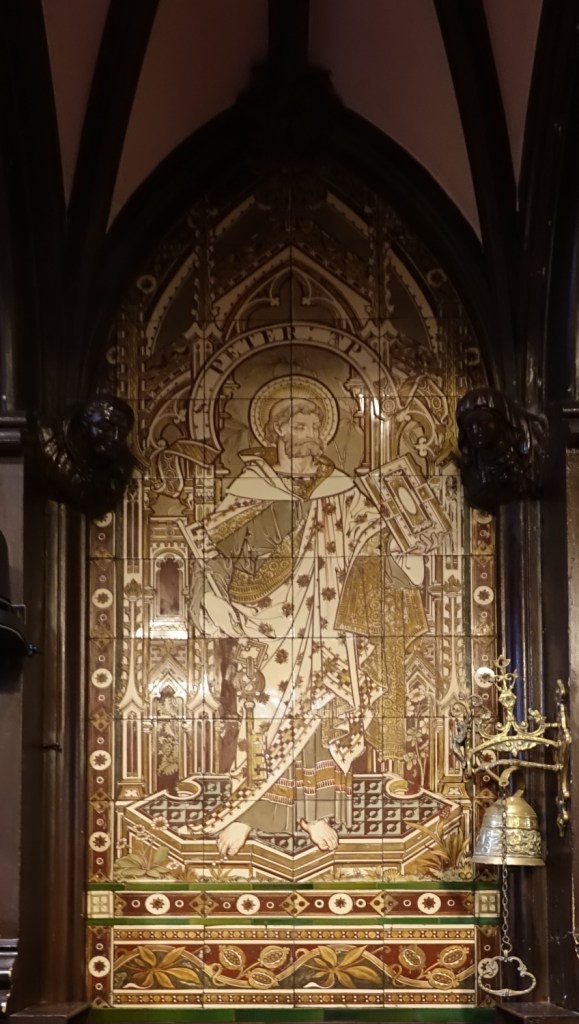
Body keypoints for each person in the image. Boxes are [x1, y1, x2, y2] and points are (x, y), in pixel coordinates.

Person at [184, 378, 435, 857]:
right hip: (263, 621)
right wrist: (215, 594)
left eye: (317, 426)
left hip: (326, 623)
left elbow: (374, 547)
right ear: (277, 430)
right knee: (263, 715)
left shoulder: (341, 491)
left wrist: (409, 552)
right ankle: (250, 812)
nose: (310, 434)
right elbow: (213, 551)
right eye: (300, 425)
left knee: (324, 713)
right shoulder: (250, 487)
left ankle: (315, 812)